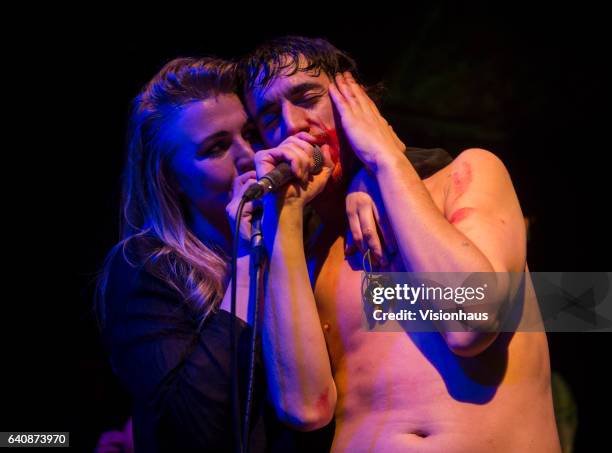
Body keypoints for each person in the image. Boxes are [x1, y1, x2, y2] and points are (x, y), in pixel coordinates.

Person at [241, 36, 561, 452]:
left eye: (307, 97)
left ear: (353, 97)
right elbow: (304, 409)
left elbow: (470, 323)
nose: (291, 124)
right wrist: (283, 219)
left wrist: (384, 159)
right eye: (269, 117)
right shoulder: (308, 254)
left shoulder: (465, 176)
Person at [96, 55, 401, 452]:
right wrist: (246, 259)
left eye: (253, 134)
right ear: (172, 181)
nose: (247, 156)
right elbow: (193, 429)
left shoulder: (312, 232)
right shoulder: (147, 270)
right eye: (216, 147)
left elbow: (469, 315)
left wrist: (366, 177)